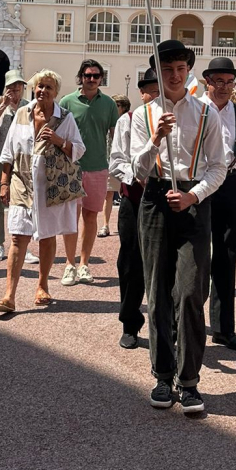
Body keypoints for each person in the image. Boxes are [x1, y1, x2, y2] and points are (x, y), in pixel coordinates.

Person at [130, 39, 226, 415]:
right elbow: (136, 171)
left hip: (191, 203)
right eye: (167, 69)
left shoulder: (206, 113)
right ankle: (162, 375)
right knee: (156, 292)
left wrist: (194, 196)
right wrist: (155, 142)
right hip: (155, 200)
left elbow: (219, 166)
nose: (174, 75)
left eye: (180, 68)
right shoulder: (145, 115)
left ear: (188, 71)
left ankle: (189, 382)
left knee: (189, 292)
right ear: (158, 71)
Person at [0, 70, 85, 311]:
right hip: (21, 184)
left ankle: (42, 285)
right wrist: (4, 182)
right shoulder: (22, 114)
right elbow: (8, 152)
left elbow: (79, 150)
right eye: (39, 86)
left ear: (56, 92)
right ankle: (9, 296)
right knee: (17, 237)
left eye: (48, 87)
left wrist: (58, 140)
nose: (42, 90)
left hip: (50, 187)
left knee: (46, 236)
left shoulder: (65, 118)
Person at [200, 56, 236, 352]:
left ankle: (223, 328)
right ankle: (189, 323)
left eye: (229, 82)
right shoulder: (195, 109)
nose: (223, 87)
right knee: (194, 258)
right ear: (207, 82)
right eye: (218, 81)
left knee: (227, 257)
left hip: (230, 186)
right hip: (200, 186)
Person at [108, 70, 158, 347]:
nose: (155, 96)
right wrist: (135, 175)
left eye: (159, 91)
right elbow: (116, 160)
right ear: (142, 93)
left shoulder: (171, 121)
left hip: (165, 200)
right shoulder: (127, 121)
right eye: (151, 90)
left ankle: (167, 324)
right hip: (134, 199)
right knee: (130, 262)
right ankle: (130, 322)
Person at [60, 60, 119, 285]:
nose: (91, 79)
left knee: (91, 217)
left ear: (101, 79)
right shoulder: (67, 102)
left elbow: (115, 135)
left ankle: (84, 264)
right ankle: (69, 264)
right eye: (87, 75)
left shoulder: (109, 104)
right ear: (81, 77)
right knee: (70, 219)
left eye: (95, 76)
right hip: (71, 168)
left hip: (97, 168)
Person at [0, 71, 30, 261]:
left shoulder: (27, 106)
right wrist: (3, 106)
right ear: (6, 87)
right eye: (12, 87)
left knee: (23, 202)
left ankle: (23, 244)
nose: (16, 90)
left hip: (21, 160)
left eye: (19, 87)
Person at [100, 95, 131, 237]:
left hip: (125, 164)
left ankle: (125, 223)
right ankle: (105, 225)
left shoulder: (128, 120)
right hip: (110, 161)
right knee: (108, 193)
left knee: (125, 194)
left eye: (116, 106)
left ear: (123, 107)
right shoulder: (108, 120)